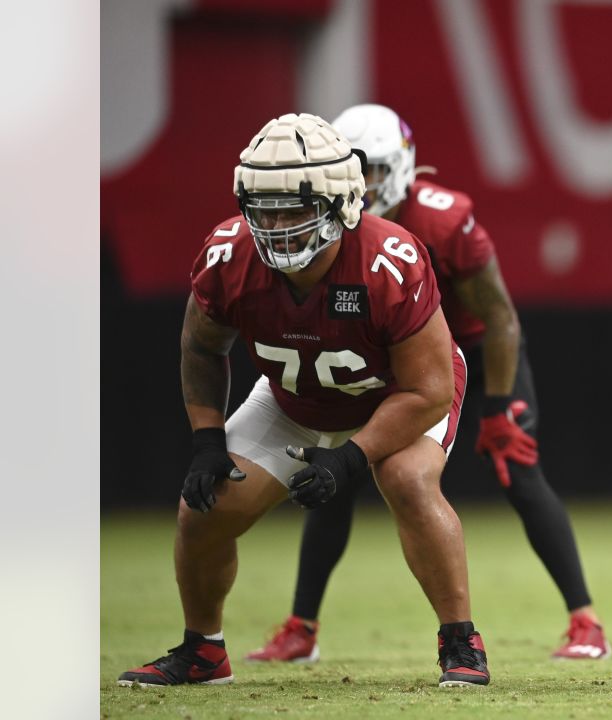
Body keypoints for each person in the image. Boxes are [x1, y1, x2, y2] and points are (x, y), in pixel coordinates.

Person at [117, 113, 490, 688]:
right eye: (262, 207)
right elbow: (199, 347)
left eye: (293, 207)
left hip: (397, 393)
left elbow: (429, 389)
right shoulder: (229, 256)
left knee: (408, 480)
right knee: (201, 511)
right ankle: (204, 651)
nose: (275, 223)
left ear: (342, 202)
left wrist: (349, 456)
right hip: (295, 397)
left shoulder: (389, 259)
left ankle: (460, 641)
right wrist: (207, 438)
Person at [243, 104, 608, 664]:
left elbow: (502, 318)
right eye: (354, 171)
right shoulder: (327, 226)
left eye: (375, 171)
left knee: (519, 471)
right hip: (389, 365)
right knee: (335, 472)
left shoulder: (441, 218)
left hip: (474, 356)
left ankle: (586, 621)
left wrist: (498, 405)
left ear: (406, 166)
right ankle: (302, 626)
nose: (364, 186)